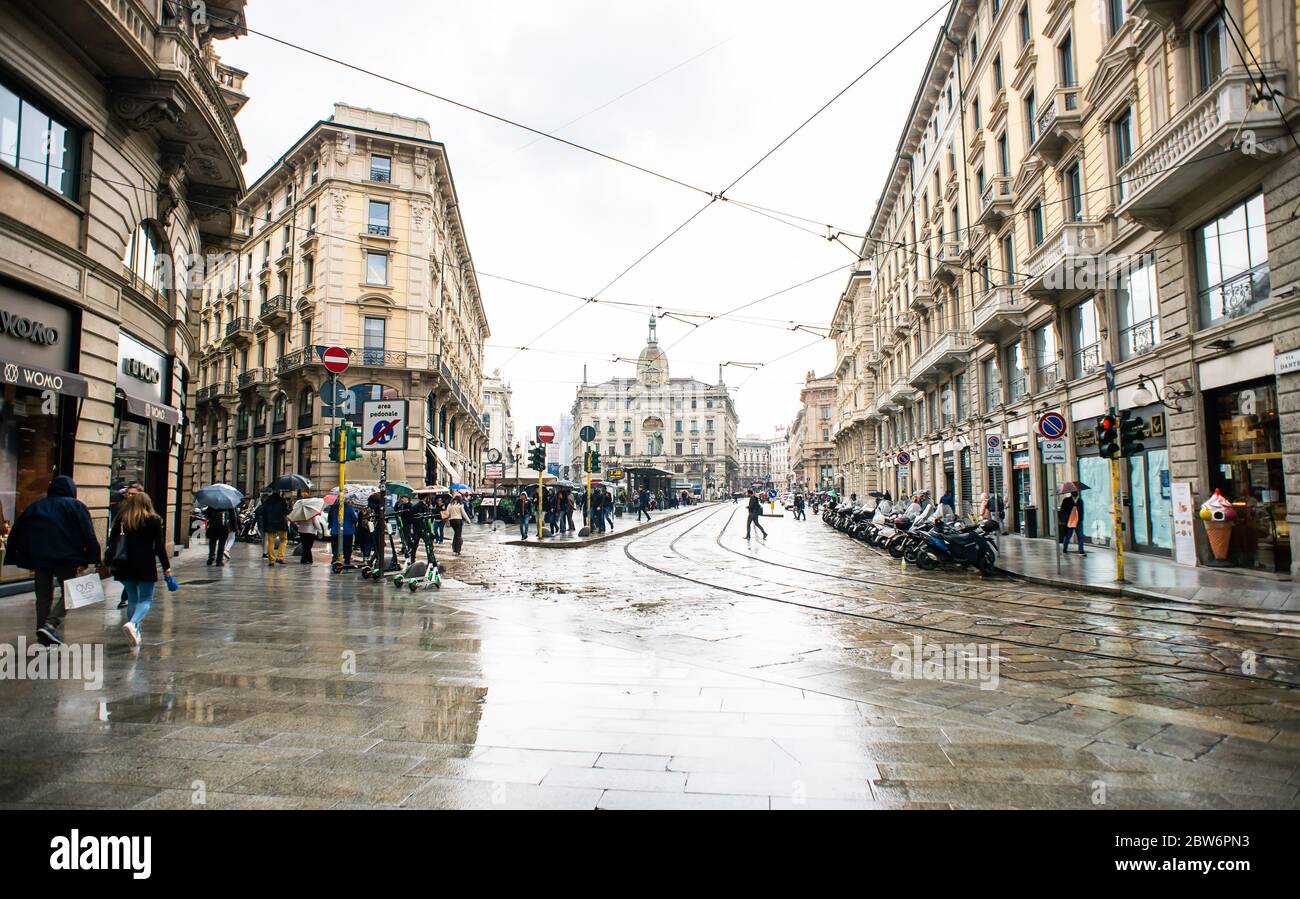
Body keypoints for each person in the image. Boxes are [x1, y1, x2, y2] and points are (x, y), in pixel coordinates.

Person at [5, 475, 101, 646]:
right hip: (66, 558)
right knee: (71, 594)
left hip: (40, 558)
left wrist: (17, 553)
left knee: (43, 596)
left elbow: (17, 531)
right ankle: (50, 625)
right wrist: (93, 557)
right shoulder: (76, 506)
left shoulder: (36, 506)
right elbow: (88, 534)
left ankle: (43, 631)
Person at [107, 491, 170, 647]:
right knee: (146, 599)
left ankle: (135, 631)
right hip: (145, 564)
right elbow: (160, 546)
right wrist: (166, 567)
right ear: (148, 503)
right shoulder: (154, 520)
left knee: (133, 598)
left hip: (124, 564)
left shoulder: (122, 520)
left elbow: (112, 542)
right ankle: (133, 624)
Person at [257, 490, 290, 566]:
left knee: (271, 542)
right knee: (283, 540)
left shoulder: (267, 502)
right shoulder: (282, 501)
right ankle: (280, 557)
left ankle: (271, 560)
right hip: (281, 524)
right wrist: (289, 507)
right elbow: (286, 511)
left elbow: (263, 513)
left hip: (270, 524)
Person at [1059, 490, 1086, 554]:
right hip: (1070, 521)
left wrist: (1081, 520)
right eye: (1073, 492)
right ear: (1071, 493)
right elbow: (1062, 510)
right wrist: (1063, 520)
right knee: (1068, 535)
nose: (1075, 493)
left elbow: (1082, 511)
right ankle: (1065, 548)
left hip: (1078, 521)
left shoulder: (1080, 501)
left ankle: (1081, 550)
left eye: (1076, 491)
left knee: (1080, 536)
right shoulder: (1066, 500)